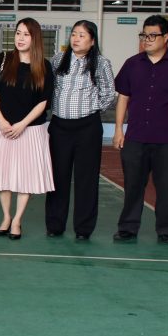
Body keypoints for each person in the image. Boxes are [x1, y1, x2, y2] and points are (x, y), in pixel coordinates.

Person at [112, 15, 168, 245]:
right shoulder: (132, 64)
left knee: (166, 188)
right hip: (136, 137)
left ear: (165, 37)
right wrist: (119, 130)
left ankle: (166, 231)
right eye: (143, 35)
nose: (146, 40)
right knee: (132, 186)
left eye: (152, 35)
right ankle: (128, 228)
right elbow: (123, 98)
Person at [0, 18, 55, 240]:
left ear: (35, 38)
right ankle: (5, 217)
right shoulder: (4, 59)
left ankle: (18, 220)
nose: (20, 38)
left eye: (26, 34)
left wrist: (23, 124)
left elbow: (44, 101)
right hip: (2, 129)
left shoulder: (44, 66)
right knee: (4, 175)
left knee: (25, 177)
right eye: (18, 33)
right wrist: (1, 120)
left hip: (31, 131)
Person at [45, 20, 116, 241]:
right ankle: (55, 225)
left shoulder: (101, 63)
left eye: (82, 35)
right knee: (58, 177)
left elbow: (108, 93)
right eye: (74, 34)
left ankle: (83, 229)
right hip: (59, 127)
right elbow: (51, 88)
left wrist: (92, 109)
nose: (76, 39)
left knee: (86, 179)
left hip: (88, 127)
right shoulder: (58, 60)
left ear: (92, 41)